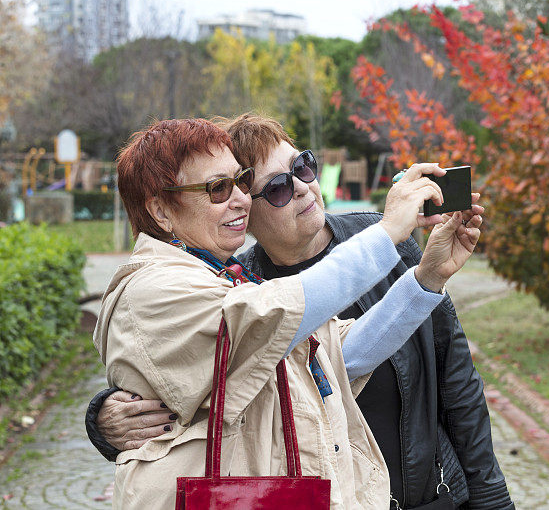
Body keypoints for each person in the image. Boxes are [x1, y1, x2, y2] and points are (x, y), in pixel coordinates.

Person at [86, 114, 514, 509]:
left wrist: (426, 279)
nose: (239, 199)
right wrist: (389, 231)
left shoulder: (224, 277)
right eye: (218, 189)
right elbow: (272, 314)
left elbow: (339, 356)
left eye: (239, 183)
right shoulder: (161, 285)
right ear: (160, 210)